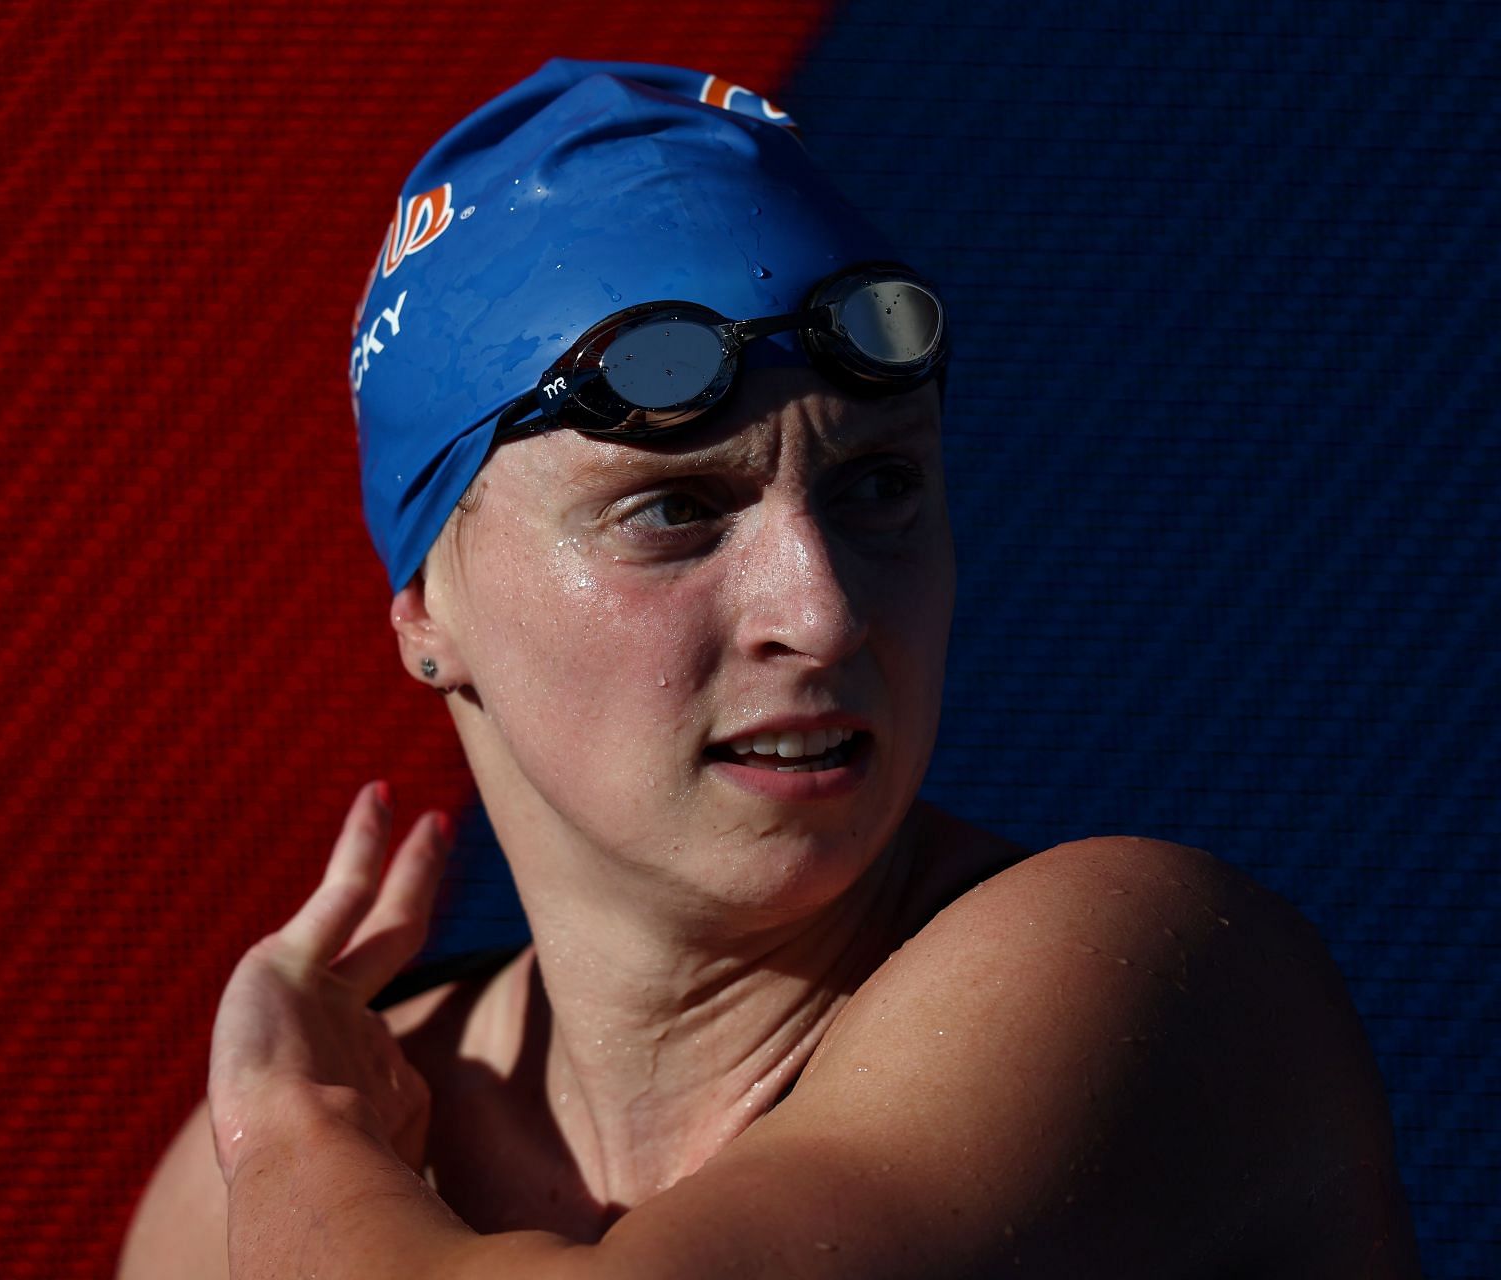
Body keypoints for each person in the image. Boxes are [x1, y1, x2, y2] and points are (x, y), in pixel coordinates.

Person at [120, 59, 1419, 1277]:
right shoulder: (244, 1191)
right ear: (424, 613)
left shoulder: (1142, 972)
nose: (826, 612)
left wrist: (289, 1144)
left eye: (878, 487)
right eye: (674, 510)